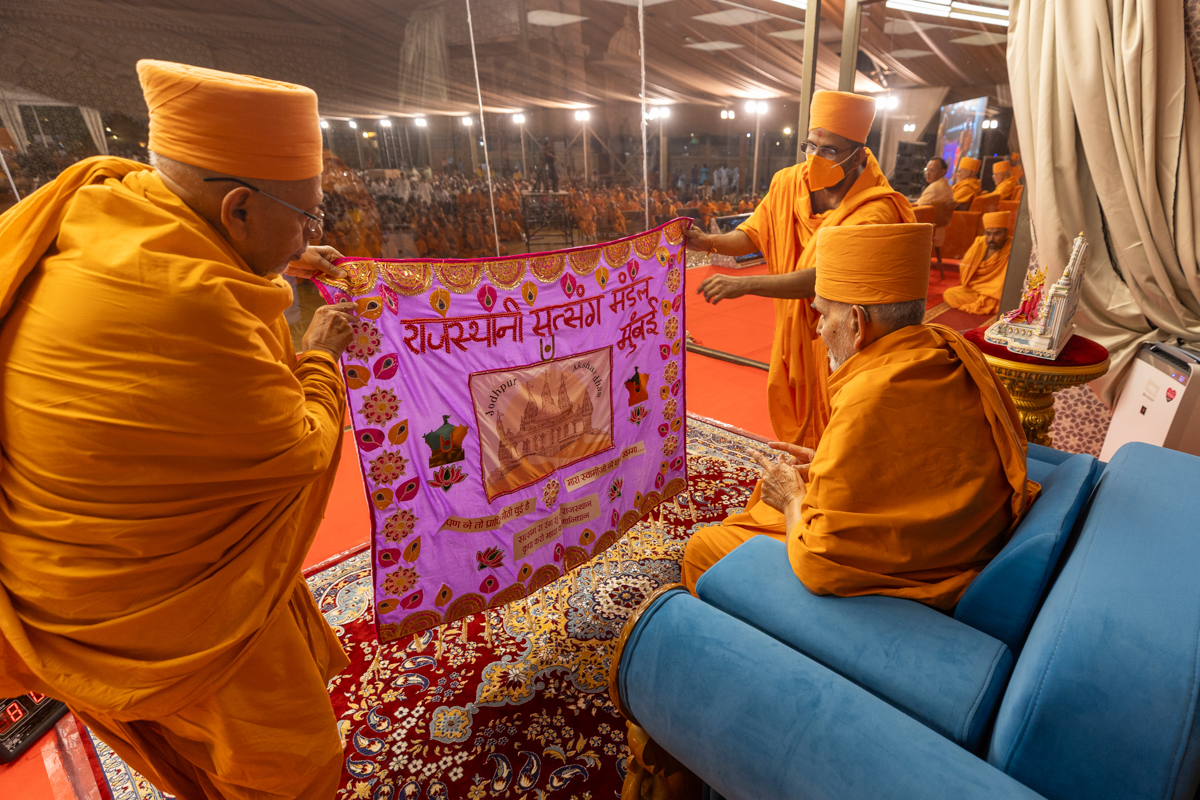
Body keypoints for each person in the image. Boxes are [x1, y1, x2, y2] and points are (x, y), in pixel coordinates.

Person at [0, 60, 359, 800]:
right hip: (164, 616)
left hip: (64, 582)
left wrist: (286, 254)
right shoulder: (193, 314)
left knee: (197, 760)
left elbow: (205, 259)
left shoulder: (104, 205)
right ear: (237, 209)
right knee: (289, 768)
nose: (314, 230)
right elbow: (300, 444)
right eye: (309, 215)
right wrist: (321, 352)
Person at [682, 223, 1037, 606]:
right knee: (789, 487)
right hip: (962, 536)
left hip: (925, 570)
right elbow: (922, 457)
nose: (817, 329)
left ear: (856, 322)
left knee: (705, 546)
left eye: (821, 315)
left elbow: (817, 563)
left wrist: (790, 501)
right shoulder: (946, 345)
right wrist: (831, 463)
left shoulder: (870, 395)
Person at [686, 90, 915, 450]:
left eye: (828, 151)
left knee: (842, 429)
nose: (815, 158)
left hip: (845, 336)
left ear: (858, 155)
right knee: (798, 420)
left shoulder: (876, 210)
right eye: (810, 146)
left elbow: (823, 278)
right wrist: (709, 242)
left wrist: (746, 285)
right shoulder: (788, 182)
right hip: (794, 328)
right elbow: (753, 233)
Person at [944, 211, 1013, 315]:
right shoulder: (980, 243)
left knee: (1007, 303)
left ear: (1006, 233)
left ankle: (987, 303)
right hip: (975, 290)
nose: (991, 239)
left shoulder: (1012, 247)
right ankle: (984, 303)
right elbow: (966, 268)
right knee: (949, 294)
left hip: (997, 294)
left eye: (997, 234)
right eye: (988, 234)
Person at [915, 157, 954, 249]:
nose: (927, 173)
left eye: (932, 170)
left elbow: (918, 207)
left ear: (942, 172)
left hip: (924, 230)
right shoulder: (947, 185)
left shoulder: (934, 188)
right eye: (926, 169)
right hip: (938, 230)